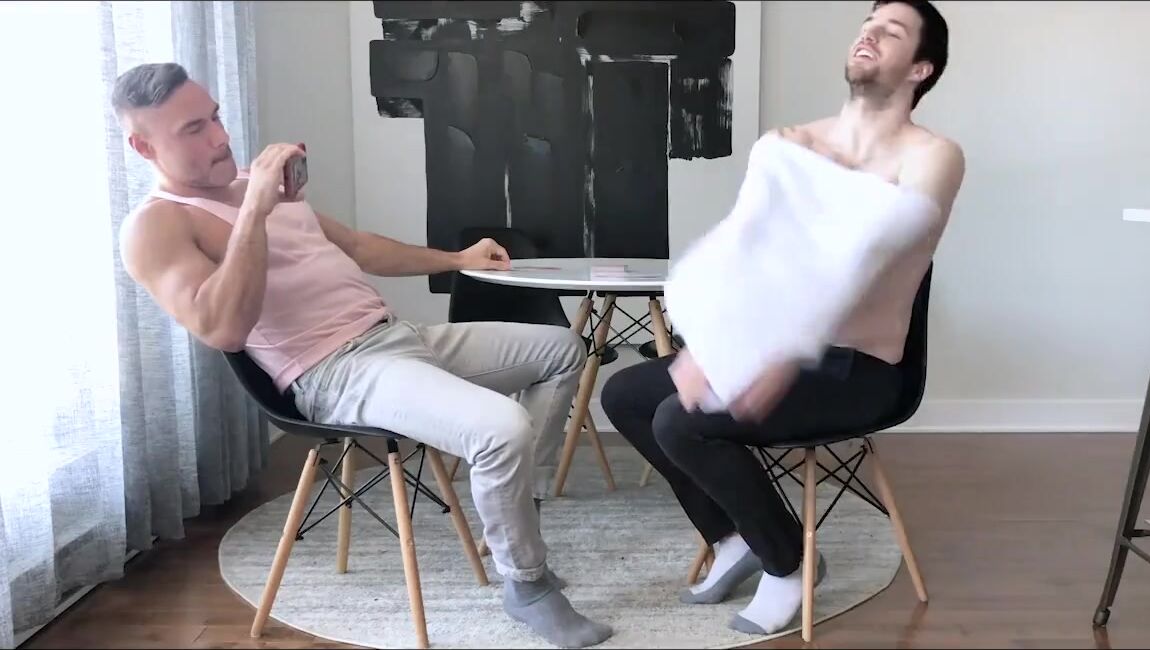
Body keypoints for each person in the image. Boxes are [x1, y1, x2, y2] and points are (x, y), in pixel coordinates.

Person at [112, 62, 612, 648]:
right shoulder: (155, 227)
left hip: (397, 337)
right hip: (337, 370)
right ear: (144, 146)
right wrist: (253, 213)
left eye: (215, 117)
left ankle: (517, 507)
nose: (220, 137)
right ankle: (526, 584)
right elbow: (222, 328)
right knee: (502, 429)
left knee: (563, 349)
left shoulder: (257, 183)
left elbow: (355, 246)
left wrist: (458, 259)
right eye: (194, 129)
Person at [601, 0, 964, 636]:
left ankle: (788, 562)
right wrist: (709, 346)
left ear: (921, 69)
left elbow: (869, 259)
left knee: (682, 421)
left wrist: (782, 350)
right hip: (771, 345)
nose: (869, 36)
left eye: (891, 32)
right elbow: (737, 254)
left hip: (860, 369)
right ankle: (733, 537)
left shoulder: (933, 157)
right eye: (867, 26)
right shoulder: (788, 144)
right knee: (627, 395)